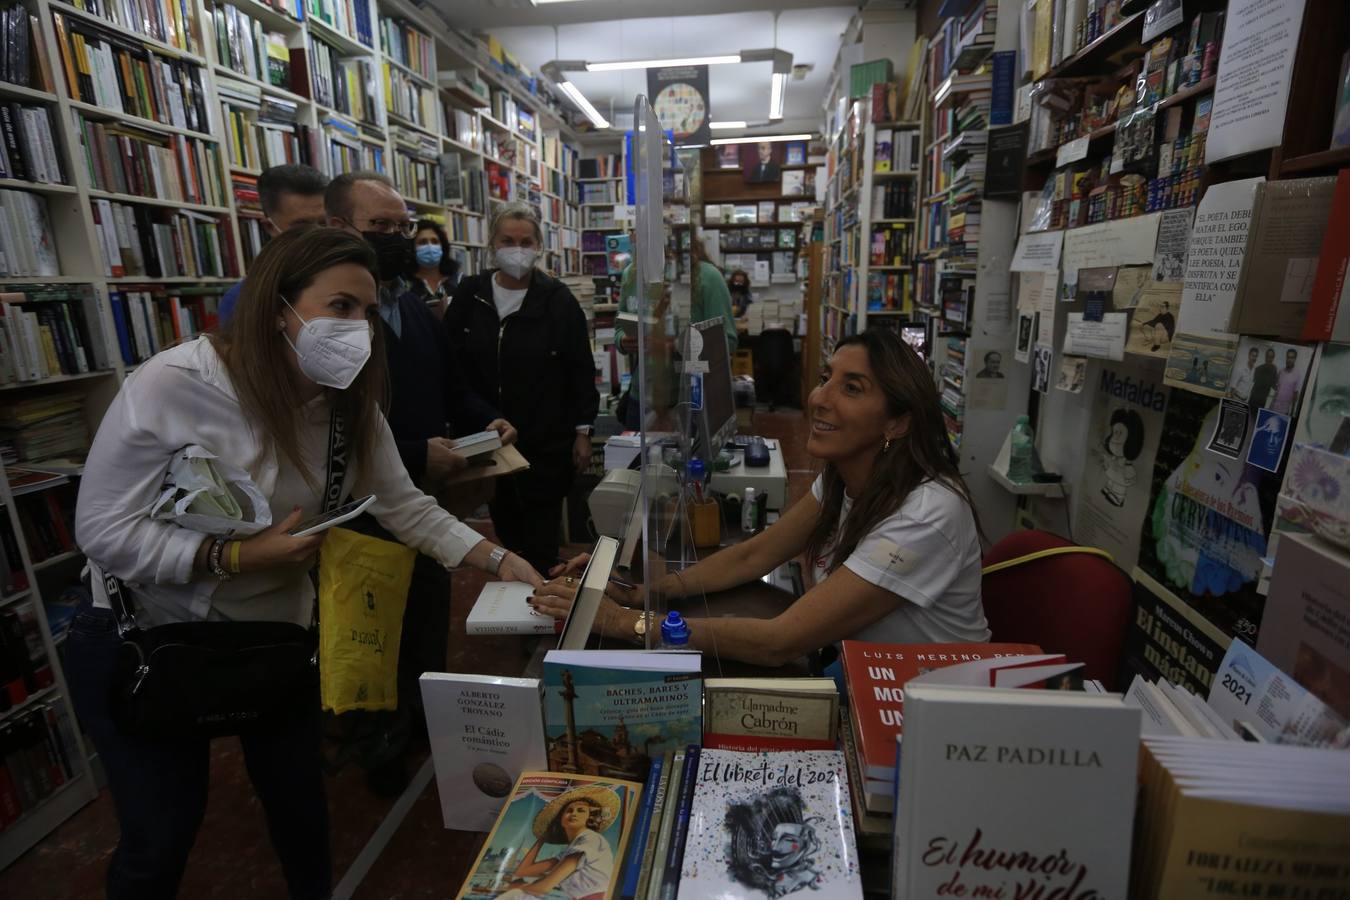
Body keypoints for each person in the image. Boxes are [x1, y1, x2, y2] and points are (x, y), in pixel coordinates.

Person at [67, 227, 542, 900]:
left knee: (301, 813)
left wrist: (500, 560)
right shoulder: (174, 384)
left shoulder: (343, 400)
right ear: (276, 306)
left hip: (272, 637)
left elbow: (406, 506)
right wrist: (234, 556)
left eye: (368, 312)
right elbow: (103, 529)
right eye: (340, 307)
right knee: (161, 834)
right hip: (150, 638)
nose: (359, 328)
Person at [531, 328, 990, 667]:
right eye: (826, 377)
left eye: (851, 388)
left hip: (922, 706)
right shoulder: (844, 478)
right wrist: (653, 592)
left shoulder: (927, 514)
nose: (819, 398)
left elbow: (781, 640)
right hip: (863, 672)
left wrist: (621, 623)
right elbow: (753, 556)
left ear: (897, 423)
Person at [326, 172, 516, 794]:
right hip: (356, 515)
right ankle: (378, 754)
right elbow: (328, 429)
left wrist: (482, 416)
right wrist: (414, 453)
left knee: (427, 619)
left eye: (402, 227)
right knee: (372, 635)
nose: (397, 239)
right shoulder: (326, 322)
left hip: (424, 500)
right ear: (338, 229)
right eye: (377, 226)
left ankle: (424, 727)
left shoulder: (410, 304)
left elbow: (449, 383)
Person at [445, 201, 599, 574]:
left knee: (541, 539)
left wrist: (583, 432)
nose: (517, 249)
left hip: (545, 440)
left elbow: (580, 369)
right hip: (486, 441)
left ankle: (544, 608)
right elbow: (449, 361)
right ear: (492, 245)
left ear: (539, 246)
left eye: (525, 241)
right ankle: (521, 599)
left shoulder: (558, 301)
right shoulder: (470, 295)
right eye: (507, 240)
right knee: (507, 530)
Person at [218, 164, 329, 324]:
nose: (318, 234)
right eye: (303, 225)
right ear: (270, 228)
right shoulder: (244, 300)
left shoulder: (358, 279)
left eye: (324, 223)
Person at [498, 786, 619, 900]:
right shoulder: (571, 849)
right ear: (561, 820)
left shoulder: (590, 839)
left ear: (590, 818)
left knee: (516, 894)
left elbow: (543, 888)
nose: (574, 814)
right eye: (569, 811)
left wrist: (518, 887)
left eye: (581, 811)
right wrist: (541, 839)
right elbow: (522, 872)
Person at [410, 220, 461, 319]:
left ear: (443, 247)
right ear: (412, 248)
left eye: (435, 241)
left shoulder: (459, 281)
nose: (430, 246)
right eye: (423, 242)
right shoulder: (404, 286)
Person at [1271, 348, 1303, 415]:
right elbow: (1275, 388)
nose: (1289, 360)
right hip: (1273, 408)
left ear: (1295, 359)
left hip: (1284, 411)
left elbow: (1296, 396)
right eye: (1288, 357)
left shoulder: (1297, 374)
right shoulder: (1281, 371)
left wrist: (1292, 413)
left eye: (1291, 358)